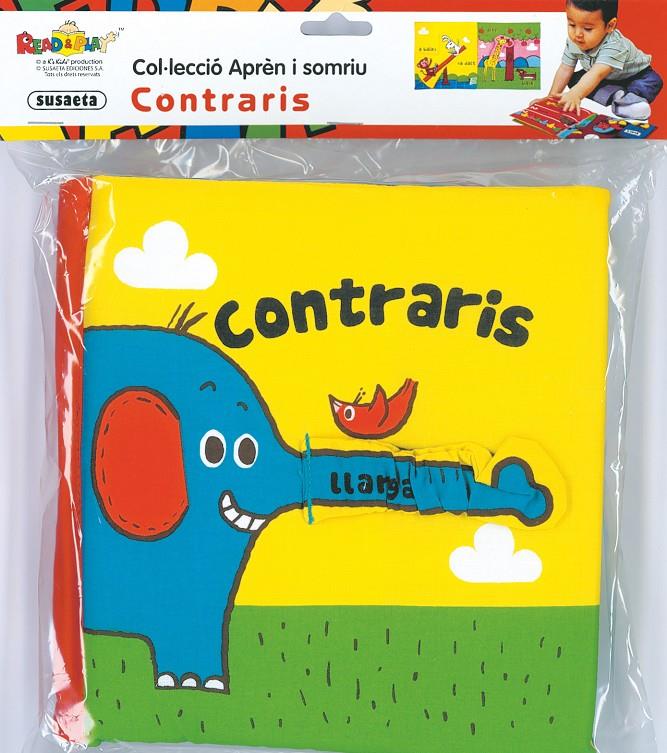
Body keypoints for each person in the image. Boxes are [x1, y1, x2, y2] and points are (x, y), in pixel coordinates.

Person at [546, 0, 662, 119]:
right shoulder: (574, 42)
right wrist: (550, 98)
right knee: (574, 79)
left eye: (587, 29)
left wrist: (575, 94)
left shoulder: (615, 44)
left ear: (610, 26)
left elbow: (597, 73)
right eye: (572, 25)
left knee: (652, 81)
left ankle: (632, 101)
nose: (577, 34)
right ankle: (617, 96)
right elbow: (565, 69)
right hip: (605, 78)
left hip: (636, 76)